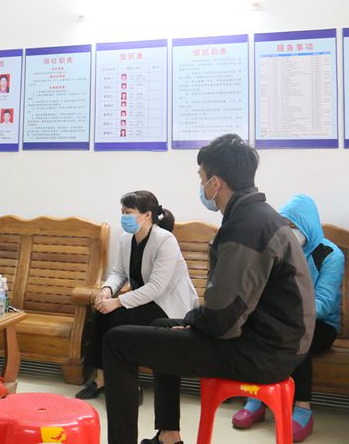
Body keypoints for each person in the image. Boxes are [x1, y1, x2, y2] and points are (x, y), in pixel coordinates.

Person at [102, 134, 315, 444]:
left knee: (117, 343)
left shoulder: (245, 227)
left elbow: (223, 317)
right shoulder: (258, 216)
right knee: (162, 326)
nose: (201, 186)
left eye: (201, 178)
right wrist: (193, 322)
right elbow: (230, 305)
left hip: (262, 353)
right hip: (272, 343)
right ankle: (169, 435)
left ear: (216, 183)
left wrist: (194, 323)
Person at [231, 194, 343, 442]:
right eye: (285, 225)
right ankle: (255, 399)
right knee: (253, 329)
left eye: (294, 225)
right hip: (282, 320)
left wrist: (283, 313)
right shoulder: (279, 250)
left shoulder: (330, 255)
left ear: (308, 225)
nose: (289, 231)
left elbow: (324, 304)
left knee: (296, 336)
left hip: (321, 325)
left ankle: (302, 410)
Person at [75, 191, 198, 400]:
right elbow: (118, 272)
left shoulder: (165, 240)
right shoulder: (126, 239)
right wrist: (107, 290)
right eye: (122, 212)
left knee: (117, 319)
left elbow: (156, 287)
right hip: (143, 301)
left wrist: (118, 302)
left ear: (147, 215)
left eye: (128, 212)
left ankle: (129, 385)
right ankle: (101, 379)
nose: (124, 217)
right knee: (102, 312)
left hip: (167, 306)